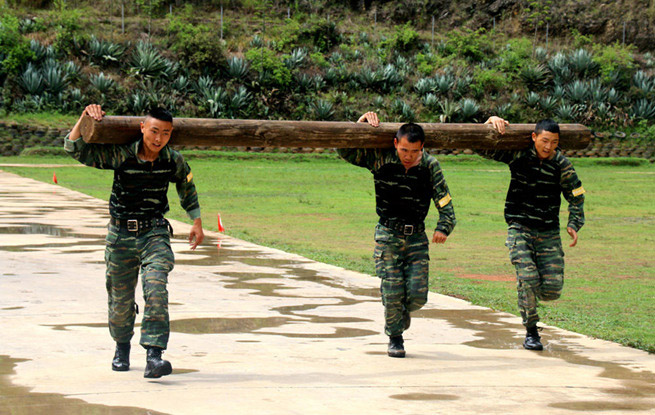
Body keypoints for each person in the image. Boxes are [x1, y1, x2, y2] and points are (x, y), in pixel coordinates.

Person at [65, 104, 204, 378]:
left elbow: (186, 185)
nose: (158, 139)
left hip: (154, 232)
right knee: (120, 299)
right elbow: (75, 149)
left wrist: (196, 221)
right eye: (154, 131)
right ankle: (121, 347)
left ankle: (154, 355)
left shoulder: (172, 159)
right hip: (120, 236)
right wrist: (84, 117)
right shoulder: (122, 155)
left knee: (156, 289)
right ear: (142, 128)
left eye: (165, 133)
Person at [337, 112, 456, 358]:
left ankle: (400, 317)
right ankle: (395, 337)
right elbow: (344, 150)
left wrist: (444, 226)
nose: (408, 156)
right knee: (392, 290)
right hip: (388, 234)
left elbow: (443, 198)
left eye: (414, 151)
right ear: (395, 144)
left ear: (422, 147)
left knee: (417, 295)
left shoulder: (430, 166)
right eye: (404, 150)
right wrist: (359, 125)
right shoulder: (380, 159)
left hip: (416, 238)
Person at [483, 116, 585, 350]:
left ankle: (527, 289)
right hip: (519, 228)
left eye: (554, 142)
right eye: (544, 141)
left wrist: (574, 223)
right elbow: (483, 148)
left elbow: (577, 194)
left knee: (552, 290)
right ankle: (531, 331)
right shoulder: (519, 156)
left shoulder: (562, 164)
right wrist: (489, 122)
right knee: (528, 279)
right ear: (534, 137)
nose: (548, 147)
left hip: (548, 231)